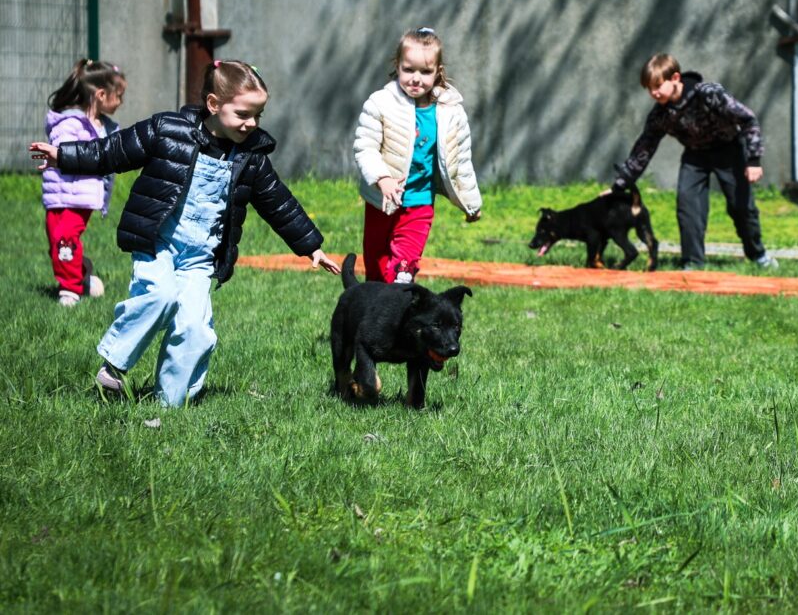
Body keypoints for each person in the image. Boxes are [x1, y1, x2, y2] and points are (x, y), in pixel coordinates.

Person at [29, 59, 340, 407]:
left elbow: (278, 202)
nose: (251, 123)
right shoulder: (167, 129)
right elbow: (113, 152)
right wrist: (64, 156)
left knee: (196, 329)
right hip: (157, 242)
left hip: (200, 258)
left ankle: (171, 406)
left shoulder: (250, 157)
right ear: (213, 104)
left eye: (258, 115)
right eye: (242, 114)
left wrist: (310, 245)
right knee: (159, 297)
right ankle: (114, 366)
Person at [611, 53, 777, 271]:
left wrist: (753, 159)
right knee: (688, 206)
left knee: (741, 208)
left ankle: (758, 255)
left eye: (658, 86)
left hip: (729, 151)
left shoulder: (708, 94)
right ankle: (693, 262)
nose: (654, 93)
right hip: (695, 156)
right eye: (649, 89)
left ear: (675, 78)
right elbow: (644, 148)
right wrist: (620, 184)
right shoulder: (660, 115)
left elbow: (747, 118)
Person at [354, 27, 482, 285]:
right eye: (408, 69)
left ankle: (399, 306)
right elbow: (365, 146)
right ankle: (374, 315)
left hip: (420, 202)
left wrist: (471, 202)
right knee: (377, 268)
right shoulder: (381, 103)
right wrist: (382, 178)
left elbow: (462, 162)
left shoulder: (451, 112)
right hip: (383, 201)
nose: (416, 78)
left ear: (438, 72)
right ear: (397, 66)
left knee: (404, 268)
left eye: (425, 72)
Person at [40, 59, 127, 306]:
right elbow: (64, 151)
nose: (120, 102)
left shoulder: (105, 128)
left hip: (81, 198)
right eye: (118, 96)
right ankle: (82, 273)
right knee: (58, 245)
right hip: (58, 195)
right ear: (101, 94)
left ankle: (69, 291)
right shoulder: (70, 123)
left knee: (64, 240)